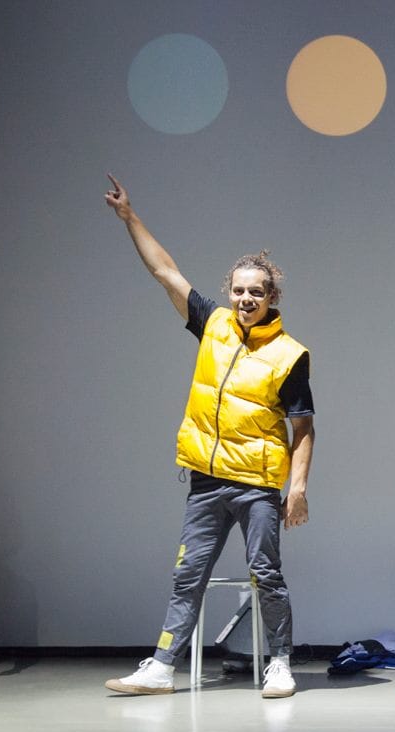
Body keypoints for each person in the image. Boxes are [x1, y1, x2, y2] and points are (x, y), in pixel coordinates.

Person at [101, 175, 314, 698]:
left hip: (258, 485)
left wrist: (298, 488)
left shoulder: (289, 354)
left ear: (271, 297)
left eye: (256, 292)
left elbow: (304, 427)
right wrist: (130, 217)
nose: (245, 298)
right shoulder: (213, 324)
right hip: (206, 481)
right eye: (238, 290)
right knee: (187, 574)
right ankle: (161, 665)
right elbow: (164, 272)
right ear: (229, 292)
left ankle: (281, 663)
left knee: (266, 573)